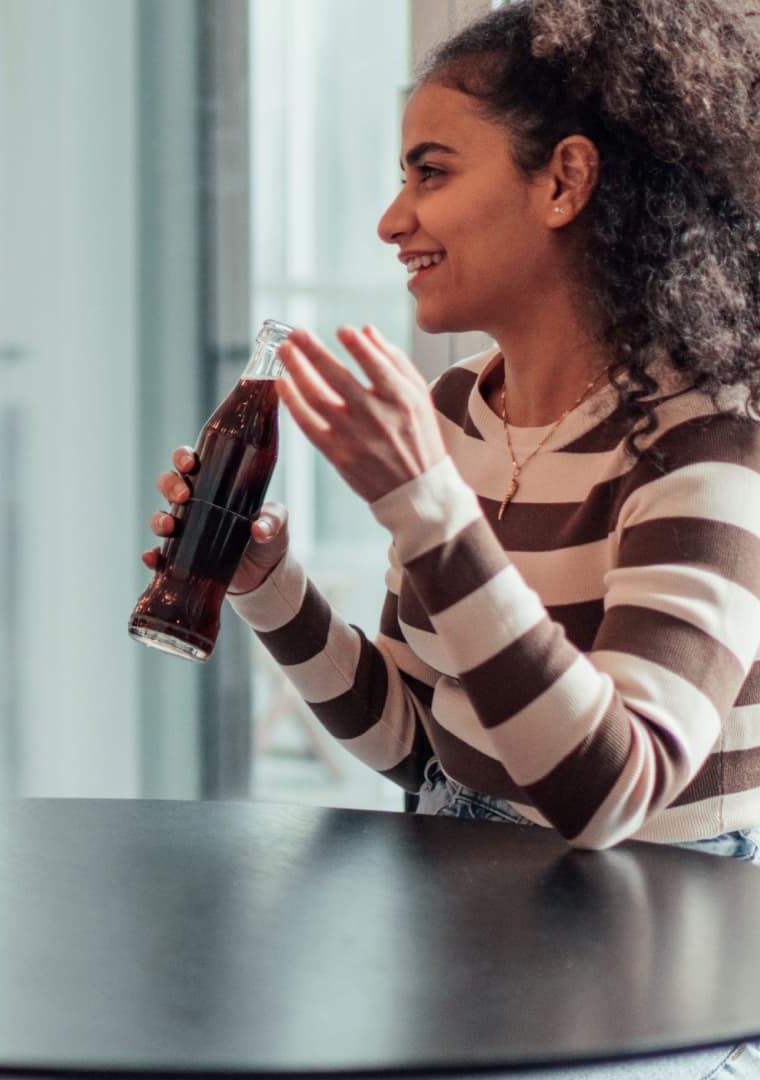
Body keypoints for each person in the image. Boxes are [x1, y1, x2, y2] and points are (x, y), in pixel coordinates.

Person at [149, 0, 760, 1076]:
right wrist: (265, 578)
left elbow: (613, 791)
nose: (391, 221)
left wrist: (428, 508)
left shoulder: (710, 442)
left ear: (565, 181)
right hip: (478, 962)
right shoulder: (458, 416)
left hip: (660, 1000)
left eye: (431, 172)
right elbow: (421, 744)